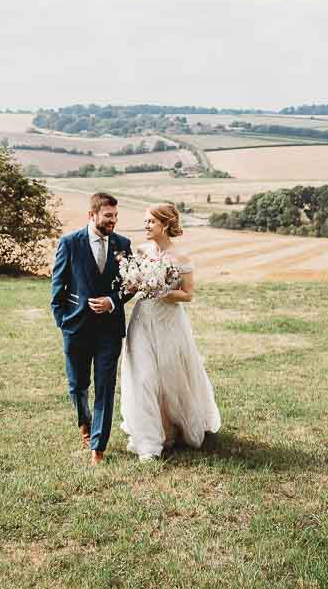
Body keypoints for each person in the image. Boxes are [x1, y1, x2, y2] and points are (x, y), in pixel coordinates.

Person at [120, 202, 220, 461]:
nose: (146, 226)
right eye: (145, 221)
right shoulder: (141, 252)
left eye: (151, 222)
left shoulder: (181, 259)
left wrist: (163, 291)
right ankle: (150, 437)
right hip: (142, 321)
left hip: (169, 324)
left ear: (165, 225)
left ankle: (170, 429)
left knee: (169, 377)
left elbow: (188, 295)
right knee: (143, 377)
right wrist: (133, 284)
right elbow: (133, 287)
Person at [50, 192, 134, 465]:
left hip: (109, 329)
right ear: (92, 215)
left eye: (115, 216)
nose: (113, 221)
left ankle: (98, 445)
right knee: (78, 385)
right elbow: (57, 289)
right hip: (76, 327)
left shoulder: (123, 244)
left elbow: (128, 285)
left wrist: (112, 301)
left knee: (106, 385)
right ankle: (84, 422)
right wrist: (64, 322)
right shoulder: (69, 243)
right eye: (108, 216)